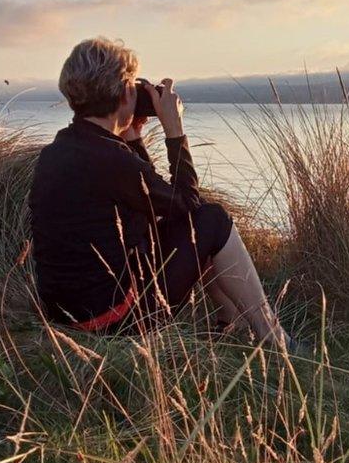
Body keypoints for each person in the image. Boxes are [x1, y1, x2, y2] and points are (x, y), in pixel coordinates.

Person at [29, 37, 291, 348]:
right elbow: (187, 206)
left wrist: (133, 137)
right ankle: (274, 338)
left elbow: (155, 203)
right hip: (115, 321)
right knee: (212, 219)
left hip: (68, 316)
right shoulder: (111, 159)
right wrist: (175, 131)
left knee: (194, 225)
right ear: (125, 90)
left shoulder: (59, 150)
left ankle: (227, 327)